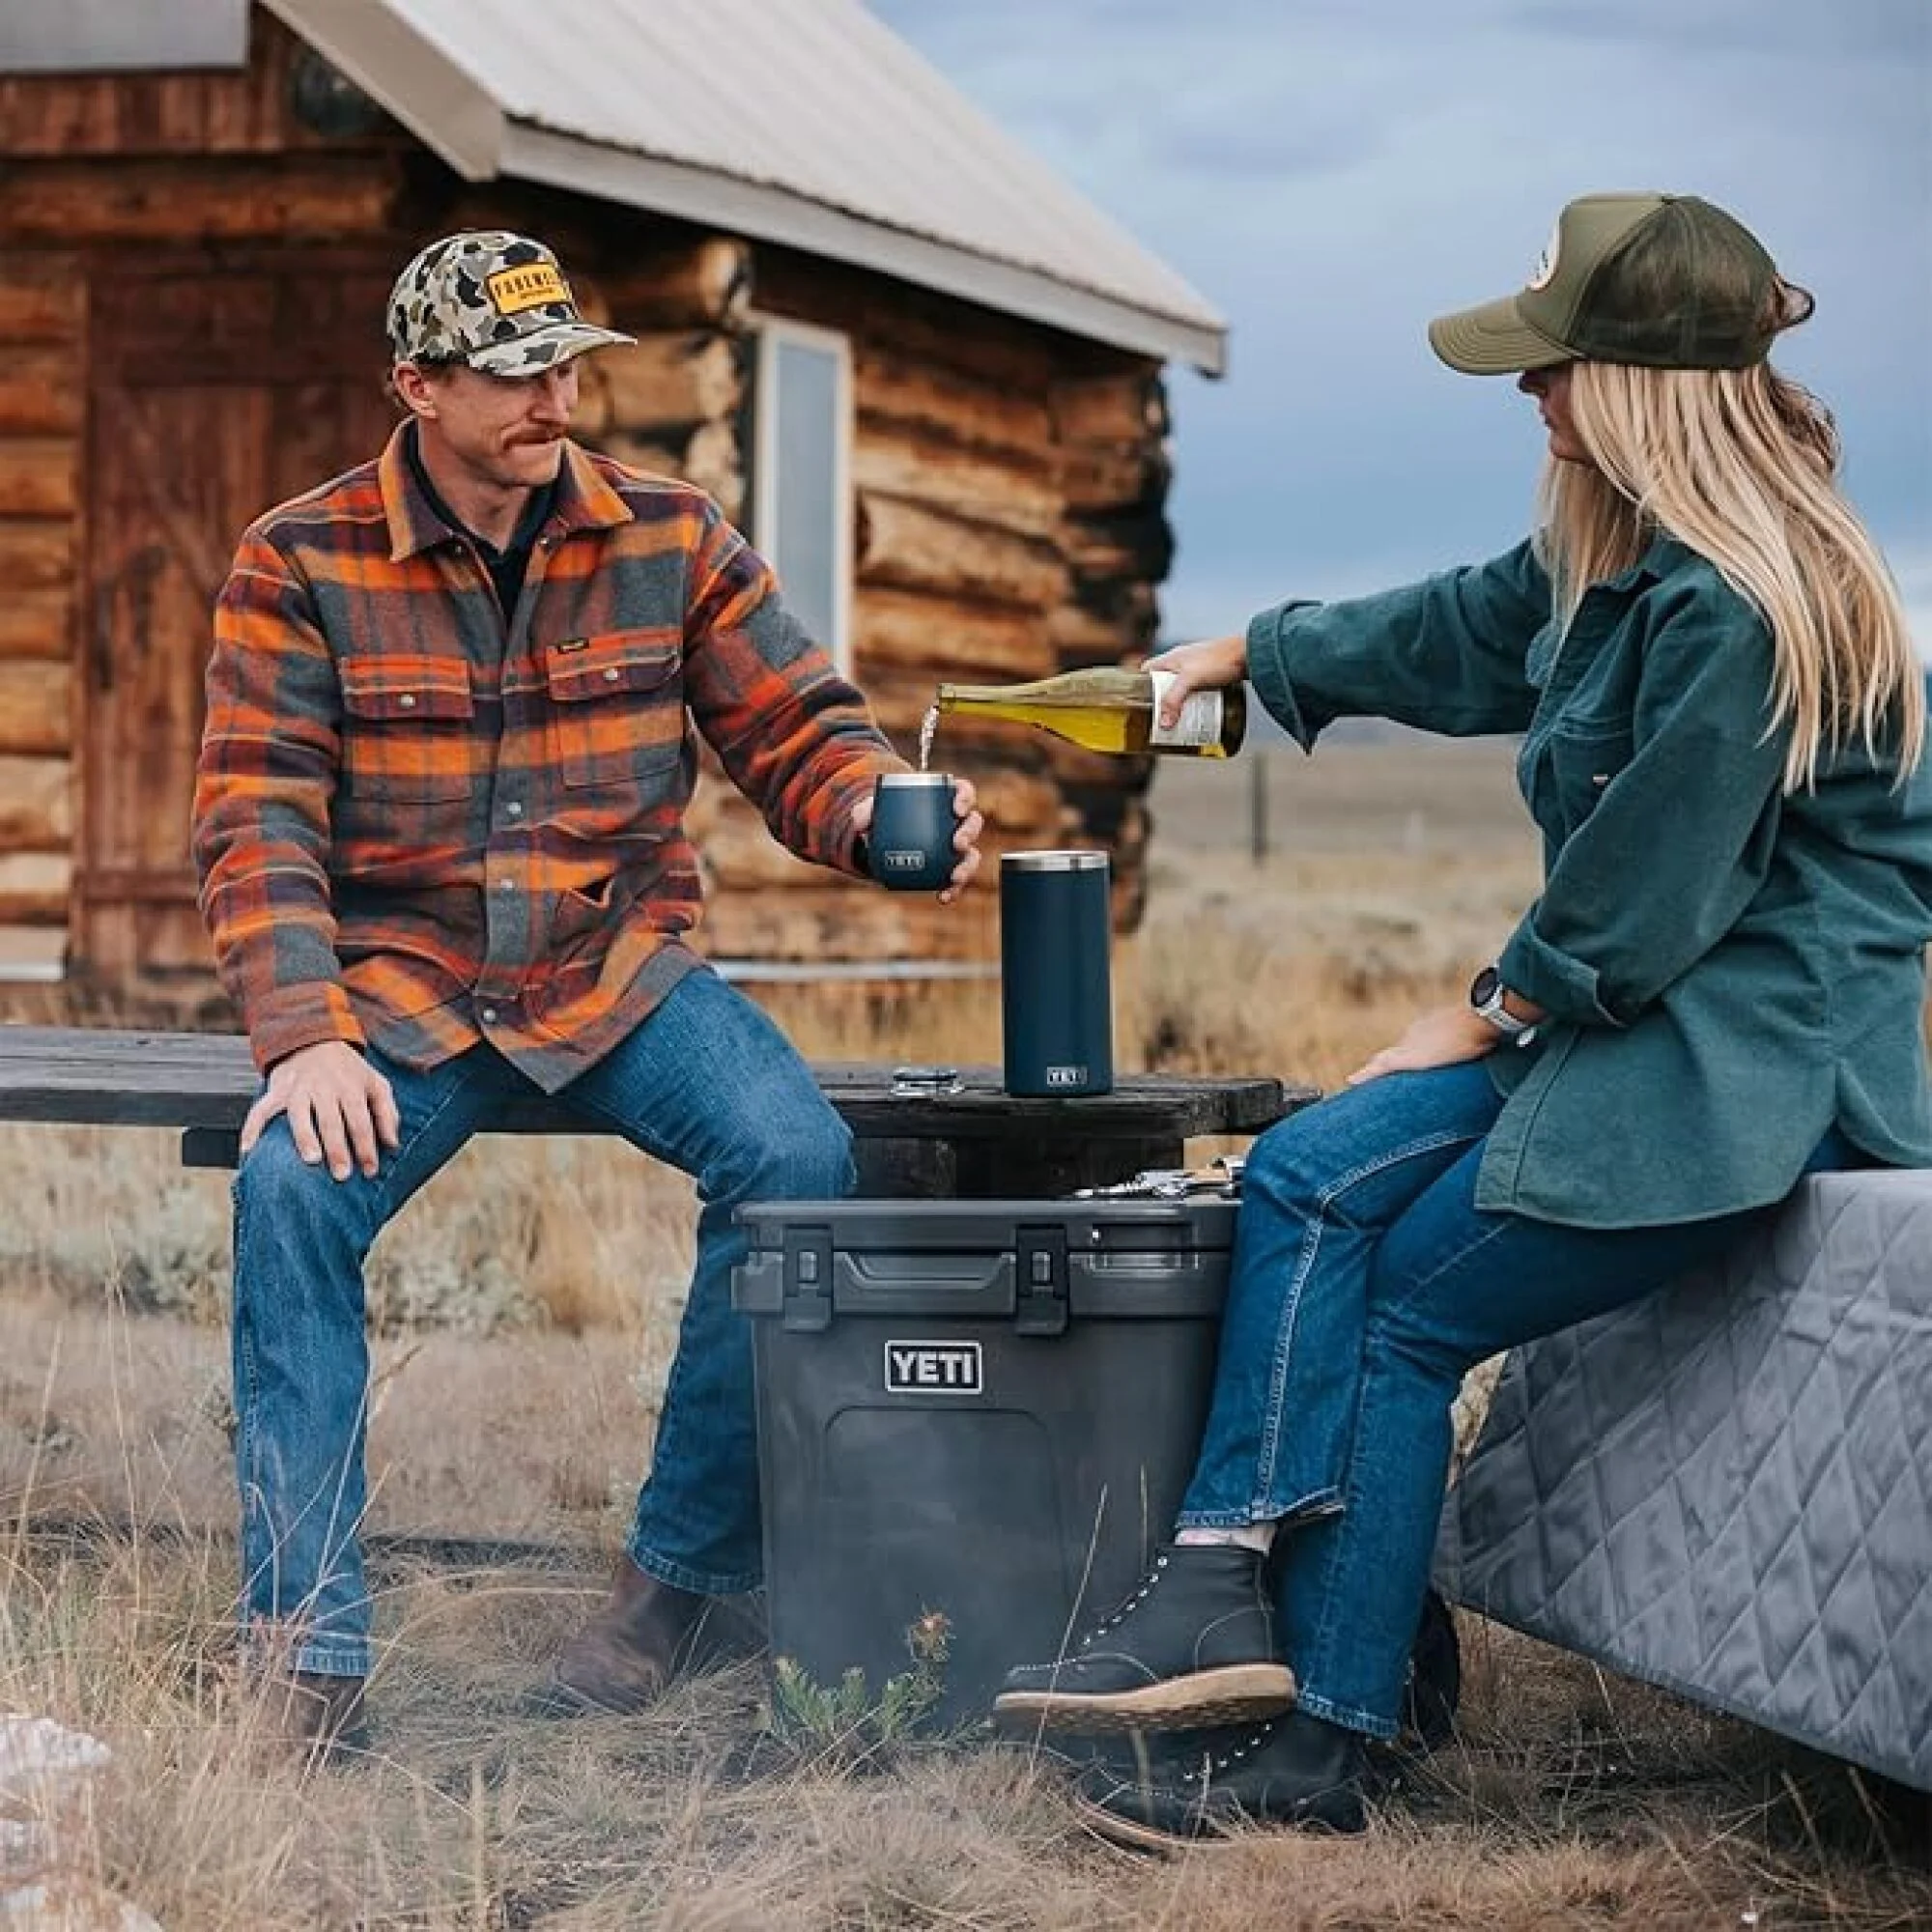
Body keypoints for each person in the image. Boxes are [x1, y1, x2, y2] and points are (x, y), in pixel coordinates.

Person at [994, 191, 1932, 1848]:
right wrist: (1244, 649)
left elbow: (1649, 887)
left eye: (1552, 367)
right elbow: (1455, 627)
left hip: (1736, 1069)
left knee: (1404, 1321)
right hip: (1631, 1032)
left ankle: (1328, 1743)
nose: (1529, 397)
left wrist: (1486, 1012)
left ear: (1642, 382)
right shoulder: (1622, 553)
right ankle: (1225, 1589)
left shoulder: (1740, 605)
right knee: (1300, 1172)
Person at [191, 229, 982, 1759]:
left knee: (796, 1157)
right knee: (290, 1191)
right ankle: (307, 1644)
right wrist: (304, 1033)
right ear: (415, 385)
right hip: (403, 993)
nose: (554, 396)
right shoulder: (297, 559)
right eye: (512, 370)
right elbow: (255, 815)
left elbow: (799, 731)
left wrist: (888, 811)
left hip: (611, 966)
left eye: (565, 364)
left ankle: (672, 1591)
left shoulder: (669, 535)